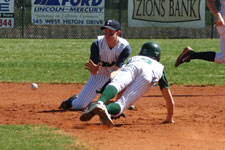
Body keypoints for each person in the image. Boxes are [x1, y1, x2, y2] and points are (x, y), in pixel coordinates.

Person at [79, 42, 175, 127]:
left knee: (116, 84)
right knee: (122, 103)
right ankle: (107, 110)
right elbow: (169, 99)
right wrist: (169, 118)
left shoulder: (135, 58)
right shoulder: (159, 68)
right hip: (147, 75)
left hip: (133, 66)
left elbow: (122, 85)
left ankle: (99, 102)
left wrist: (116, 97)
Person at [59, 19, 131, 110]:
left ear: (118, 32)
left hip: (115, 72)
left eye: (111, 33)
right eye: (105, 33)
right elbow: (93, 70)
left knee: (128, 74)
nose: (107, 36)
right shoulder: (97, 44)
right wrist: (93, 70)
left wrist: (111, 80)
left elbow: (117, 69)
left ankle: (122, 101)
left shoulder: (125, 47)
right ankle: (73, 99)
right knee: (79, 106)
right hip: (99, 74)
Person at [174, 0, 225, 67]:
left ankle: (190, 55)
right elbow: (210, 1)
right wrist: (217, 14)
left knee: (222, 57)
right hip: (223, 22)